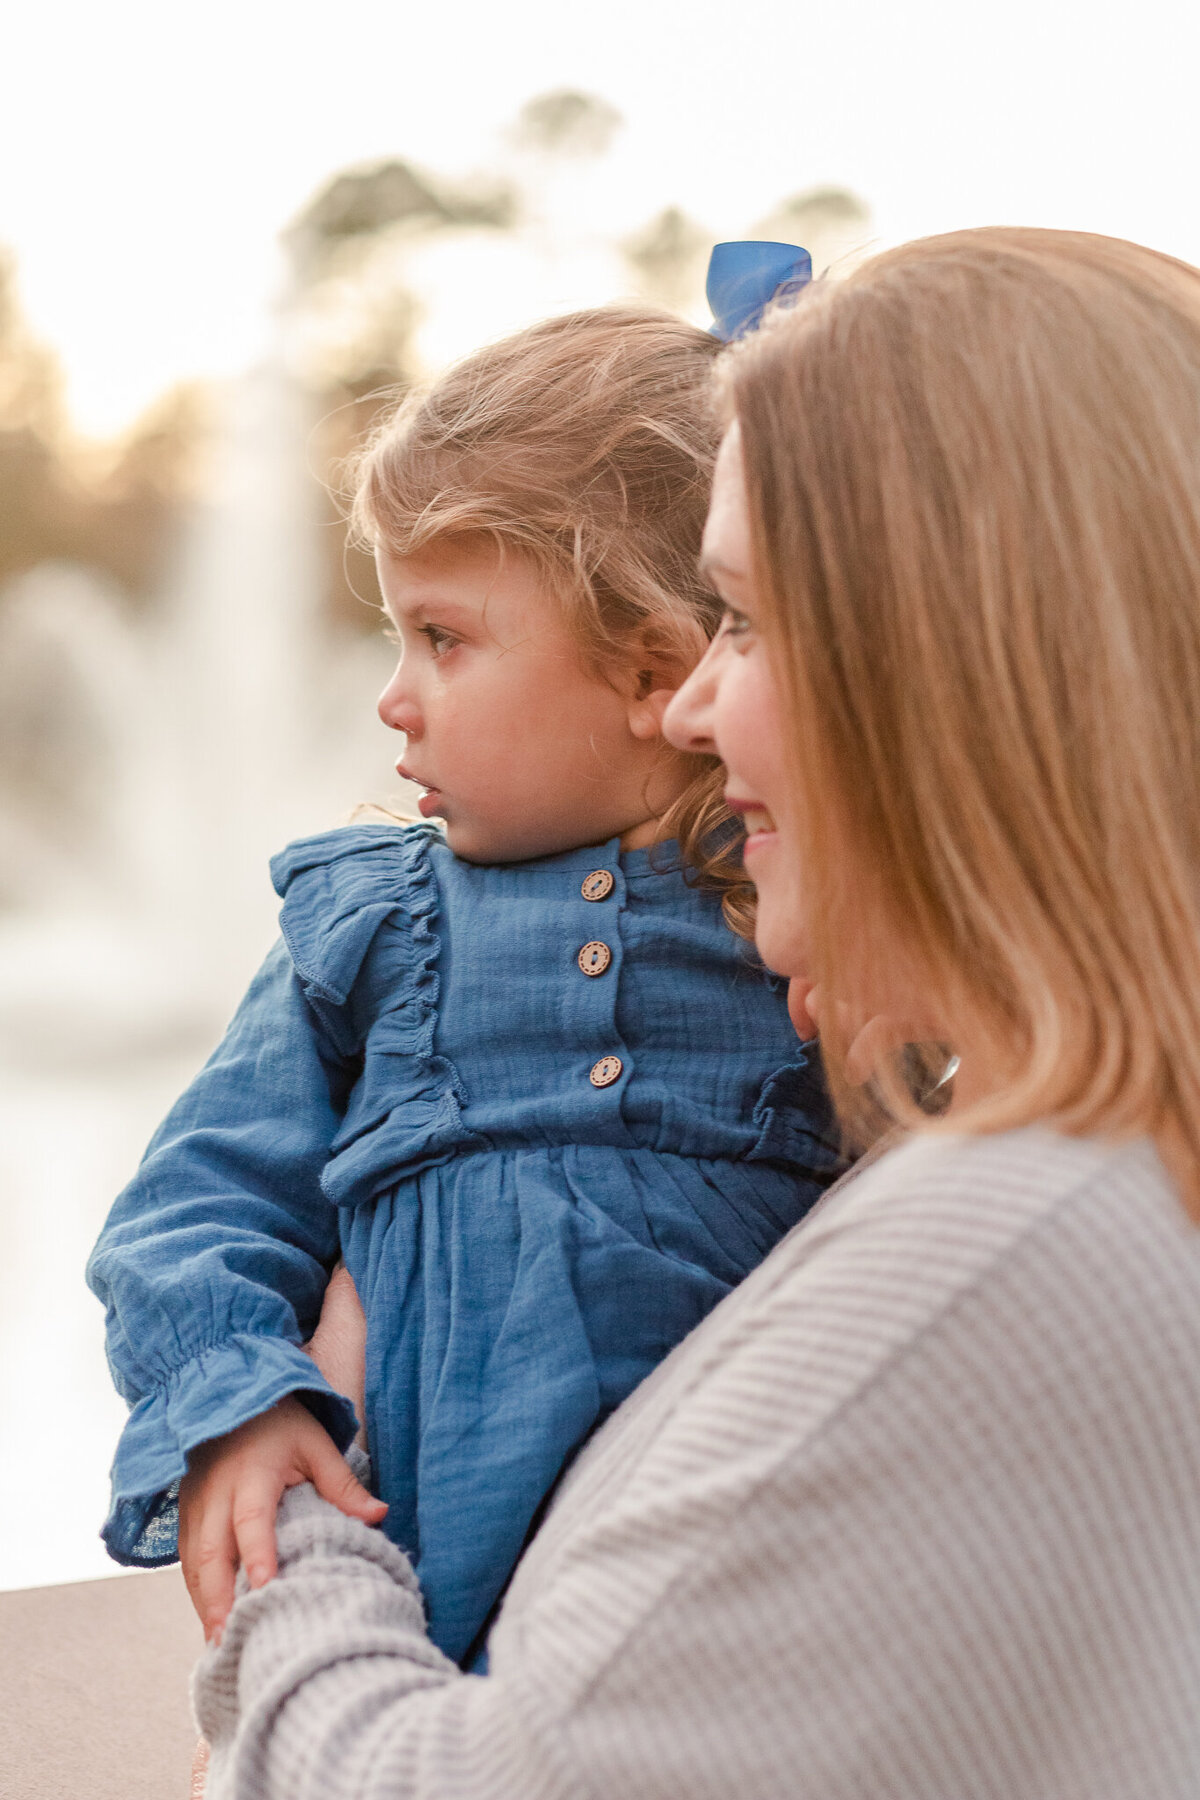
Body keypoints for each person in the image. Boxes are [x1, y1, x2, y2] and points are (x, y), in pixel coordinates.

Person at [190, 226, 1200, 1799]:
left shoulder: (1001, 1234)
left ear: (940, 665)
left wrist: (308, 1531)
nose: (694, 701)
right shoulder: (1094, 1176)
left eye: (740, 621)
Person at [86, 301, 839, 1668]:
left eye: (444, 638)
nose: (393, 698)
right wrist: (247, 1406)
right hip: (419, 1601)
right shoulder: (371, 924)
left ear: (650, 667)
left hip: (730, 1626)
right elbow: (196, 1205)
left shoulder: (803, 926)